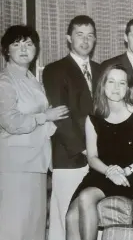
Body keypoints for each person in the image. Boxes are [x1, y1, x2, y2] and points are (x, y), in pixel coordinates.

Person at [65, 64, 133, 240]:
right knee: (71, 217)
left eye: (122, 83)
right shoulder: (93, 118)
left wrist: (125, 171)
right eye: (111, 82)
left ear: (128, 88)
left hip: (128, 176)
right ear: (103, 86)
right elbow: (92, 157)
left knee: (86, 197)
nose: (116, 88)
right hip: (99, 174)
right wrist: (108, 171)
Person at [0, 25, 68, 240]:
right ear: (6, 50)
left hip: (37, 162)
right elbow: (10, 121)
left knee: (34, 228)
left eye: (29, 44)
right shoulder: (5, 81)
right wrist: (45, 117)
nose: (23, 49)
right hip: (15, 166)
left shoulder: (31, 79)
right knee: (14, 228)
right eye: (16, 44)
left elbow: (44, 119)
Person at [42, 15, 101, 240]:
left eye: (90, 36)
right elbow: (61, 118)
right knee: (64, 217)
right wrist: (86, 150)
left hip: (98, 158)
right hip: (70, 157)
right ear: (69, 38)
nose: (85, 41)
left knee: (88, 219)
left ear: (95, 40)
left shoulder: (100, 69)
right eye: (79, 35)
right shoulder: (55, 70)